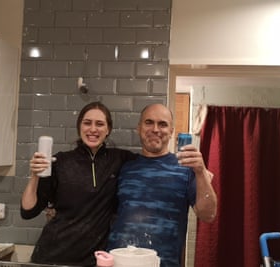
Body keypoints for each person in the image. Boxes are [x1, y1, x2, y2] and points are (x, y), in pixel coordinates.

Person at [21, 101, 136, 266]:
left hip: (93, 259)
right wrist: (34, 176)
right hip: (52, 257)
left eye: (100, 124)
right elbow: (28, 211)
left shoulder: (120, 159)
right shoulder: (60, 161)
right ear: (79, 126)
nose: (93, 129)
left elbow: (152, 162)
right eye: (87, 123)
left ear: (108, 129)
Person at [106, 103, 217, 267]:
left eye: (163, 124)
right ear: (139, 128)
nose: (155, 129)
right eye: (149, 122)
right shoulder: (123, 166)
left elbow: (208, 215)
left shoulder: (187, 169)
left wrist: (201, 172)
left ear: (171, 131)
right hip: (119, 261)